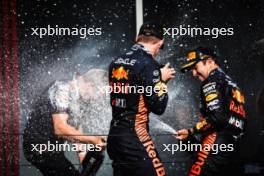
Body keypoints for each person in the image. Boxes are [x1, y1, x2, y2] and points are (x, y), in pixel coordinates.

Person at [107, 22, 176, 176]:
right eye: (161, 47)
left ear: (137, 38)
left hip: (115, 136)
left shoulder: (116, 61)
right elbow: (159, 107)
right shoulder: (148, 64)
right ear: (160, 42)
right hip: (135, 136)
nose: (159, 51)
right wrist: (162, 81)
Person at [176, 47, 247, 176]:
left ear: (209, 62)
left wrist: (191, 131)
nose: (193, 73)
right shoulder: (230, 82)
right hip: (235, 148)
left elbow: (218, 117)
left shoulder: (211, 81)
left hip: (216, 142)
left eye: (195, 67)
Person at [23, 69, 106, 176]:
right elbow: (60, 128)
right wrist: (93, 139)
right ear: (90, 85)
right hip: (38, 146)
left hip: (53, 149)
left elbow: (76, 132)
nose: (97, 98)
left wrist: (85, 161)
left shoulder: (80, 98)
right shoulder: (62, 89)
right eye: (98, 93)